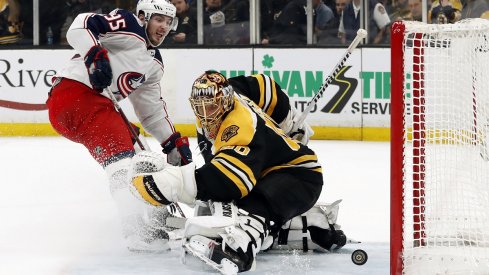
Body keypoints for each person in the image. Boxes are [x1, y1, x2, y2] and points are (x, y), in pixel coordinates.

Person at [128, 71, 347, 273]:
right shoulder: (230, 94)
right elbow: (262, 86)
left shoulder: (240, 126)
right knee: (226, 201)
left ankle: (239, 250)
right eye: (200, 106)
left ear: (224, 101)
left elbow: (230, 181)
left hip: (297, 175)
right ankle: (307, 228)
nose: (205, 114)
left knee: (250, 207)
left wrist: (173, 184)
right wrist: (285, 118)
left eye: (211, 107)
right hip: (267, 169)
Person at [46, 0, 192, 252]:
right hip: (74, 95)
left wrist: (171, 142)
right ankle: (134, 229)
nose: (164, 27)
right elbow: (80, 26)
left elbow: (151, 110)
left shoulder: (154, 63)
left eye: (169, 22)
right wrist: (94, 55)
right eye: (159, 20)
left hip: (95, 106)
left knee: (143, 161)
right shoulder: (130, 25)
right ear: (144, 17)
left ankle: (154, 217)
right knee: (123, 162)